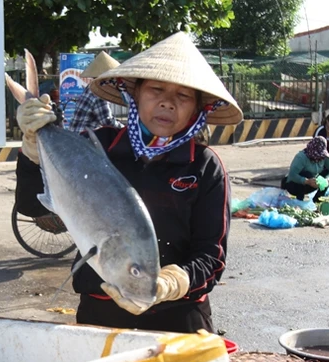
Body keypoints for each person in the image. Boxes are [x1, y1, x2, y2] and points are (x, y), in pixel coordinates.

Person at [14, 32, 242, 334]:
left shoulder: (204, 166)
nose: (168, 103)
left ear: (199, 109)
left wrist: (168, 284)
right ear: (135, 94)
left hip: (180, 320)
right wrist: (32, 149)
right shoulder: (99, 146)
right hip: (99, 315)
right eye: (156, 89)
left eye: (183, 96)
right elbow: (32, 206)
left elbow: (210, 256)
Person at [67, 51, 123, 134]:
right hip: (83, 139)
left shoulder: (91, 87)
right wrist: (124, 128)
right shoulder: (99, 92)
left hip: (75, 135)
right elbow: (107, 121)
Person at [281, 137, 329, 202]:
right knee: (307, 174)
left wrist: (327, 179)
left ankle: (317, 200)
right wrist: (306, 181)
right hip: (294, 185)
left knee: (328, 173)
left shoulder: (324, 156)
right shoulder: (301, 157)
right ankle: (299, 200)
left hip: (312, 183)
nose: (317, 158)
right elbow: (292, 175)